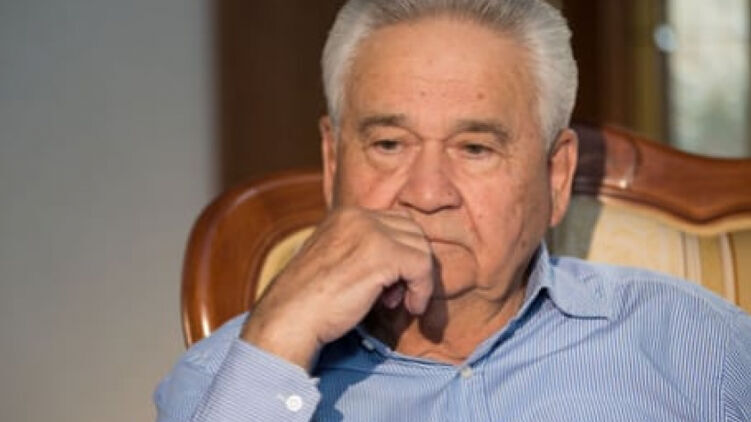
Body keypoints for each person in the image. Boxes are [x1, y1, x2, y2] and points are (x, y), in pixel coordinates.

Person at [154, 0, 751, 420]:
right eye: (389, 144)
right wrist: (280, 335)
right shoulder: (227, 379)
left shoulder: (697, 344)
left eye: (475, 149)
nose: (427, 192)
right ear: (334, 162)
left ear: (555, 176)